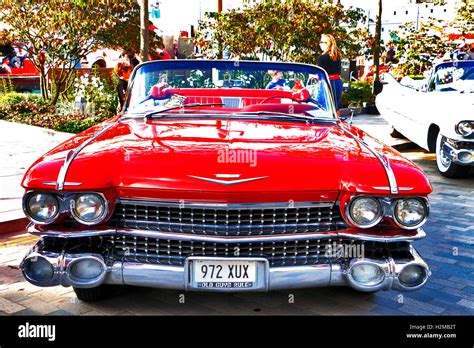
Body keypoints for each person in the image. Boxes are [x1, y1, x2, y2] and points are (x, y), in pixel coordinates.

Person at [317, 34, 342, 110]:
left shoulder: (322, 57)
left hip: (327, 83)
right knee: (335, 106)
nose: (319, 44)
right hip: (337, 81)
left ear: (326, 43)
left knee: (324, 106)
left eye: (321, 42)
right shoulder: (337, 56)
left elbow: (319, 74)